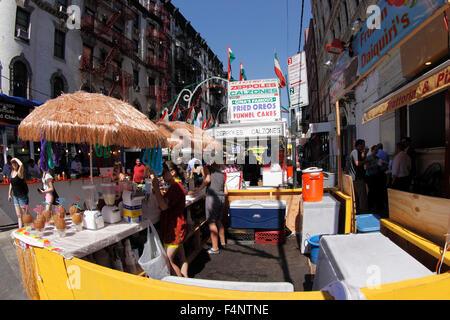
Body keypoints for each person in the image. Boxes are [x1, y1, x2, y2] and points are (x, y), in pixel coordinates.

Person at [151, 161, 188, 277]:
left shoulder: (175, 188)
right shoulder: (177, 185)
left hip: (174, 229)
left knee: (167, 260)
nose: (162, 175)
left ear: (172, 172)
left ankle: (180, 284)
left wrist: (156, 187)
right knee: (182, 258)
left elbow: (163, 206)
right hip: (178, 226)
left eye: (164, 172)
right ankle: (186, 280)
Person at [188, 158, 228, 254]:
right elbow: (226, 191)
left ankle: (215, 247)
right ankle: (222, 242)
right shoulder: (221, 173)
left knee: (211, 222)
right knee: (218, 220)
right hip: (221, 198)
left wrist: (195, 191)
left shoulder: (207, 168)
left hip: (213, 198)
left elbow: (207, 180)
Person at [8, 158, 29, 228]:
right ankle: (20, 229)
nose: (14, 164)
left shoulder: (19, 173)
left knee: (25, 214)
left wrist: (15, 159)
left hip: (22, 196)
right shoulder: (12, 173)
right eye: (13, 163)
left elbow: (22, 164)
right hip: (15, 196)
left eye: (15, 163)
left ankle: (27, 228)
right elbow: (11, 183)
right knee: (19, 215)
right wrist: (9, 194)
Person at [349, 139, 369, 213]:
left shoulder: (357, 152)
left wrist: (365, 153)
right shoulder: (355, 152)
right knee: (361, 196)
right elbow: (357, 163)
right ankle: (363, 212)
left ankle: (358, 210)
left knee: (358, 196)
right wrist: (367, 161)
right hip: (357, 178)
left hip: (357, 178)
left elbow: (361, 157)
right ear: (359, 145)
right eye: (363, 144)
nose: (364, 146)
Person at [365, 145, 379, 211]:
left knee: (376, 191)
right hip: (370, 176)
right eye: (375, 150)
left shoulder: (377, 157)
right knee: (371, 191)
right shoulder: (369, 157)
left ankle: (375, 205)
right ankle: (369, 206)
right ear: (372, 150)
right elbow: (367, 168)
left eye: (377, 150)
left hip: (376, 176)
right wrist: (374, 165)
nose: (377, 151)